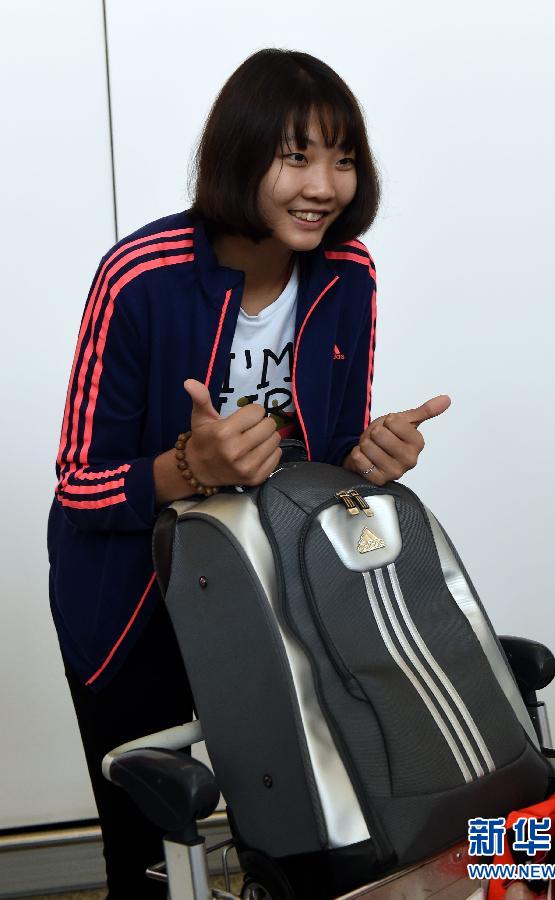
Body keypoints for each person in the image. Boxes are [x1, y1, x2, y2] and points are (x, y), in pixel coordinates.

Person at [48, 48, 450, 899]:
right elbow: (80, 485)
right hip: (132, 598)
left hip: (271, 586)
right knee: (148, 857)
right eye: (295, 156)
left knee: (311, 832)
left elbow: (324, 464)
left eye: (343, 159)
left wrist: (369, 461)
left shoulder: (347, 273)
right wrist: (190, 466)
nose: (324, 186)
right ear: (239, 155)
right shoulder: (141, 277)